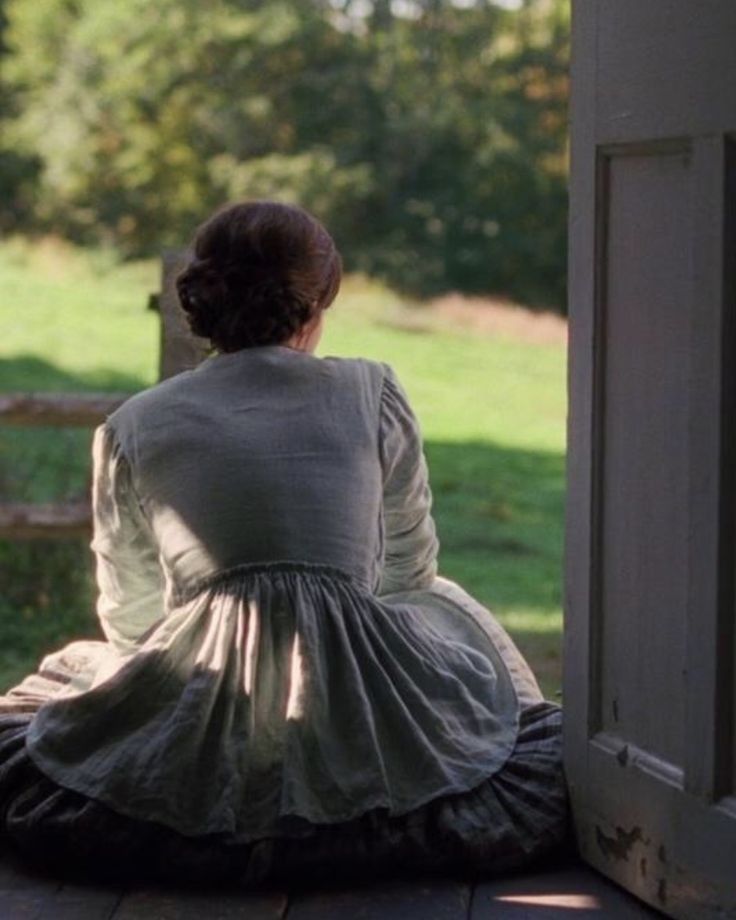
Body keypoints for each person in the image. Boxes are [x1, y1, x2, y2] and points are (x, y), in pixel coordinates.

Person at [0, 200, 572, 889]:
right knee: (456, 627)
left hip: (206, 677)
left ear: (203, 302)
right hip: (359, 676)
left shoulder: (133, 424)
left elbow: (129, 613)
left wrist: (167, 684)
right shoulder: (372, 390)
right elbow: (411, 571)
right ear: (318, 301)